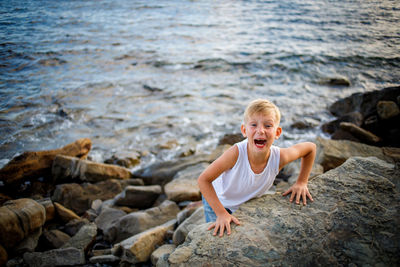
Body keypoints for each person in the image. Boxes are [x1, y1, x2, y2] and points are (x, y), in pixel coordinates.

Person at [198, 99, 316, 237]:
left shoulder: (279, 157)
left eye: (268, 126)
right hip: (219, 201)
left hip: (244, 202)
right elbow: (203, 180)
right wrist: (221, 214)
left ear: (277, 132)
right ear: (244, 130)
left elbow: (310, 148)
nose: (260, 131)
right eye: (253, 125)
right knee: (218, 238)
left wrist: (302, 182)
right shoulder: (236, 153)